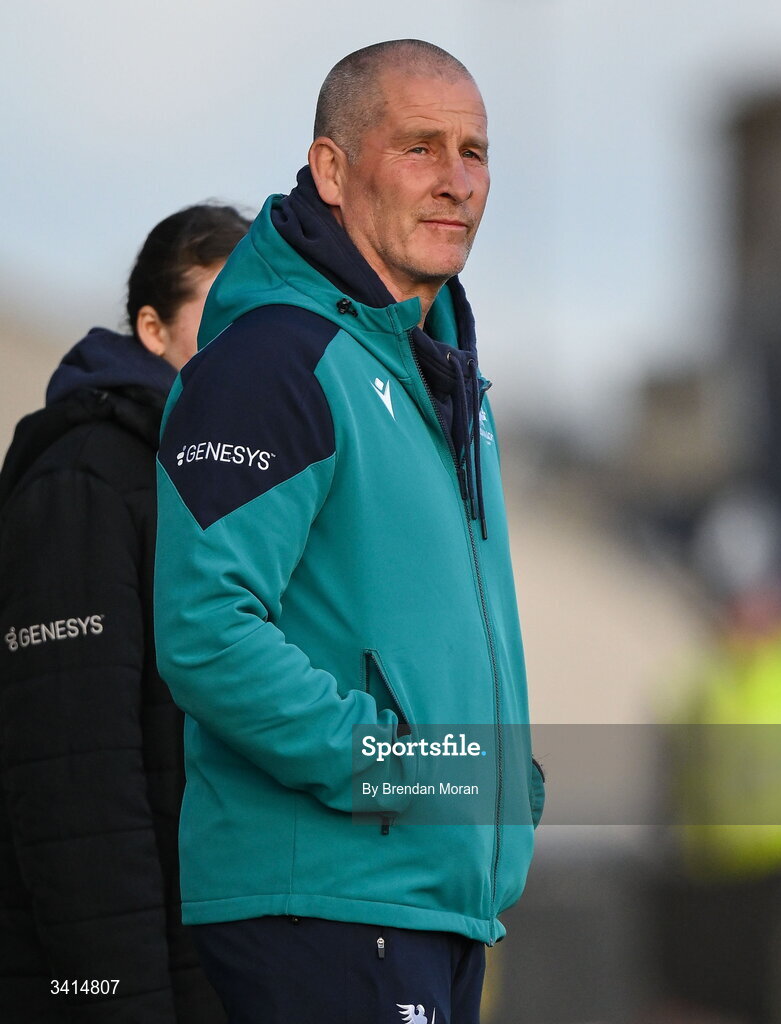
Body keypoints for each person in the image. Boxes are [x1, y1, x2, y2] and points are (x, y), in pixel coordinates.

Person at [154, 40, 545, 1024]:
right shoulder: (274, 362)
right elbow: (206, 629)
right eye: (420, 147)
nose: (455, 181)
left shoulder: (446, 378)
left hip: (430, 901)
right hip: (326, 903)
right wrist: (393, 764)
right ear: (331, 169)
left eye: (474, 152)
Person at [0, 203, 250, 1022]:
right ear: (151, 327)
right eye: (220, 318)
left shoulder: (235, 486)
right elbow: (75, 791)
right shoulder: (85, 481)